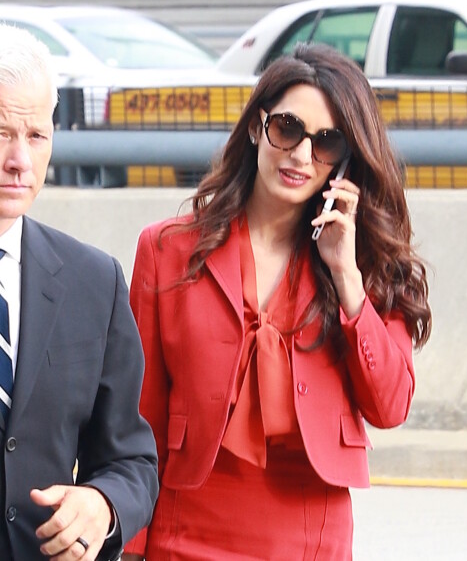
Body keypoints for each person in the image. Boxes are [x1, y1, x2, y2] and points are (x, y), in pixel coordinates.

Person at [123, 42, 431, 560]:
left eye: (326, 141)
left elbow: (390, 405)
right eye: (287, 129)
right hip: (184, 530)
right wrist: (133, 545)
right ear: (255, 126)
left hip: (308, 537)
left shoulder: (369, 266)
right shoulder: (165, 250)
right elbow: (139, 415)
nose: (302, 156)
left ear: (345, 157)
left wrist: (346, 277)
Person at [0, 24, 159, 560]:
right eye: (0, 132)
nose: (19, 159)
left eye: (36, 136)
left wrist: (103, 503)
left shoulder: (95, 282)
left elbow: (131, 459)